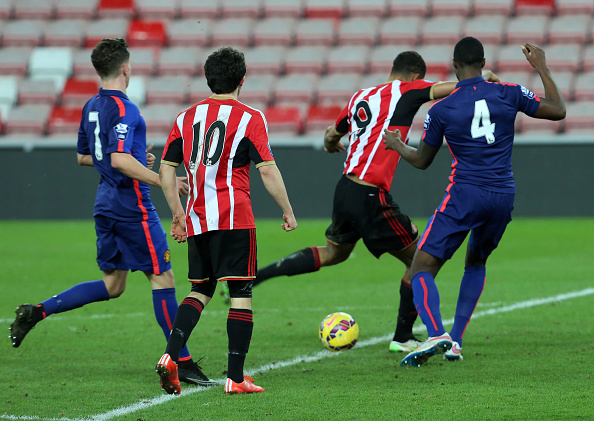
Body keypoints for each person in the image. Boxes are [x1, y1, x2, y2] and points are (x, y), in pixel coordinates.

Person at [247, 51, 499, 353]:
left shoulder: (361, 96)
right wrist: (483, 80)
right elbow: (453, 87)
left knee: (333, 253)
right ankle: (403, 337)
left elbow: (332, 134)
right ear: (416, 77)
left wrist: (331, 145)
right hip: (371, 195)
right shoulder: (407, 91)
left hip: (345, 189)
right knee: (421, 260)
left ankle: (257, 275)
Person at [9, 38, 213, 386]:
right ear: (125, 68)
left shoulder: (90, 106)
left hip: (104, 204)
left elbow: (86, 157)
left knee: (114, 284)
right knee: (163, 278)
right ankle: (182, 360)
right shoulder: (127, 109)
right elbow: (117, 159)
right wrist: (162, 180)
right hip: (131, 206)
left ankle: (37, 311)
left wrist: (136, 160)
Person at [383, 38, 566, 367]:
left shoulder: (441, 109)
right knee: (476, 263)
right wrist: (540, 65)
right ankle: (456, 342)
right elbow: (558, 110)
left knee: (421, 267)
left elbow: (422, 160)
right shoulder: (508, 92)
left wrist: (396, 145)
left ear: (454, 64)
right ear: (483, 62)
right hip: (503, 195)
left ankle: (437, 333)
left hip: (465, 194)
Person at [155, 46, 297, 395]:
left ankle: (171, 356)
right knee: (241, 292)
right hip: (234, 218)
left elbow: (165, 170)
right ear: (242, 80)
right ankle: (235, 378)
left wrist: (177, 214)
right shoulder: (250, 117)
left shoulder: (185, 118)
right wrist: (288, 209)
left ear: (208, 79)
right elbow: (267, 169)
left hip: (199, 218)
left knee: (200, 289)